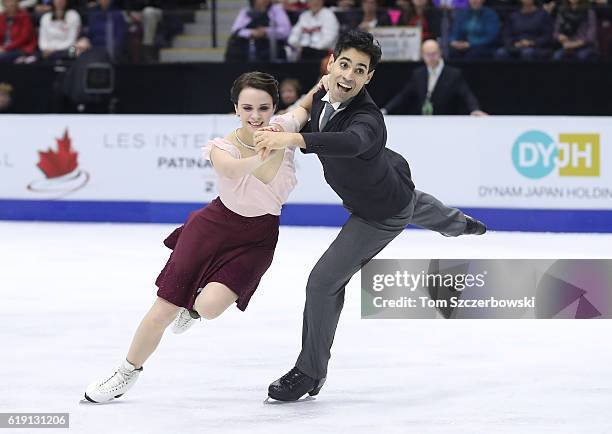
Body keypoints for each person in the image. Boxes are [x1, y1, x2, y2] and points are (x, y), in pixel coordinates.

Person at [253, 29, 487, 402]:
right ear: (331, 62)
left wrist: (293, 140)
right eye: (344, 64)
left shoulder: (369, 118)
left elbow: (353, 142)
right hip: (389, 182)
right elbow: (303, 108)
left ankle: (309, 372)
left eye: (359, 70)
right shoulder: (324, 89)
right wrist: (283, 124)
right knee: (419, 205)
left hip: (379, 212)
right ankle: (462, 224)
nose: (348, 76)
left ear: (369, 77)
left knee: (322, 282)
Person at [83, 72, 300, 403]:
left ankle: (194, 310)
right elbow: (230, 170)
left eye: (263, 107)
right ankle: (126, 372)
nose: (255, 115)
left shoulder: (283, 128)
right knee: (164, 309)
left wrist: (324, 83)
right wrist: (265, 152)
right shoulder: (222, 146)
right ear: (236, 109)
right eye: (247, 108)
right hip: (212, 228)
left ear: (274, 108)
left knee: (209, 308)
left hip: (258, 239)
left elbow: (307, 105)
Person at [381, 39, 487, 115]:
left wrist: (475, 109)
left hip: (445, 122)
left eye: (434, 53)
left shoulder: (453, 74)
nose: (431, 57)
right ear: (423, 55)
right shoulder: (418, 74)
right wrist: (385, 110)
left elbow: (467, 94)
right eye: (428, 54)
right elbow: (403, 95)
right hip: (422, 122)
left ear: (440, 52)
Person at [226, 0, 291, 62]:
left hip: (269, 49)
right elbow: (235, 30)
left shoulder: (276, 10)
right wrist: (251, 33)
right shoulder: (245, 11)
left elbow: (285, 31)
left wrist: (266, 32)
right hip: (247, 50)